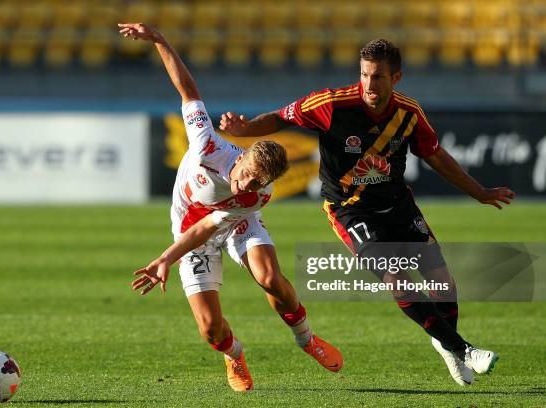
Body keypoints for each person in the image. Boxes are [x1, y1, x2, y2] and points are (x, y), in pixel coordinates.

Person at [219, 39, 516, 386]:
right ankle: (465, 350)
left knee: (443, 284)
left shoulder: (408, 113)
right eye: (364, 75)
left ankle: (447, 344)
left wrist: (478, 192)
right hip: (350, 211)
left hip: (397, 205)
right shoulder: (331, 104)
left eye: (378, 77)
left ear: (396, 77)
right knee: (398, 279)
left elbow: (436, 156)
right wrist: (245, 129)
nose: (369, 85)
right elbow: (281, 117)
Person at [118, 23, 343, 392]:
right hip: (190, 231)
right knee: (211, 329)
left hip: (228, 224)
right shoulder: (207, 144)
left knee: (270, 277)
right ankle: (234, 354)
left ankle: (306, 339)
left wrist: (164, 260)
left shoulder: (257, 195)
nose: (248, 186)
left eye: (259, 184)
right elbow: (188, 90)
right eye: (248, 176)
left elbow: (213, 225)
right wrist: (160, 39)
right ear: (243, 157)